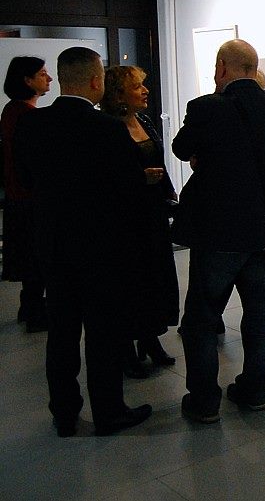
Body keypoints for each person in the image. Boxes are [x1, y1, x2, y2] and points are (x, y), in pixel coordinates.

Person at [15, 46, 152, 437]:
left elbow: (24, 179)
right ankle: (108, 412)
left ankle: (64, 413)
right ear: (96, 81)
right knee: (102, 332)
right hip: (101, 247)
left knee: (61, 332)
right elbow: (128, 190)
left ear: (62, 78)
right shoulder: (107, 129)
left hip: (53, 244)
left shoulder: (32, 124)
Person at [172, 39, 265, 423]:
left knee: (202, 320)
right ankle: (255, 390)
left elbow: (180, 148)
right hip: (263, 230)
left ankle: (205, 402)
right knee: (259, 316)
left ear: (222, 67)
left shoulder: (206, 107)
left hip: (217, 232)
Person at [100, 66, 180, 377]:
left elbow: (158, 160)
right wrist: (139, 179)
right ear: (118, 93)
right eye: (137, 86)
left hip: (152, 213)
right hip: (124, 218)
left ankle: (150, 338)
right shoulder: (107, 127)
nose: (145, 91)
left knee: (153, 277)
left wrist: (168, 191)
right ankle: (125, 349)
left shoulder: (144, 120)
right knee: (130, 281)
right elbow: (106, 176)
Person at [1, 56, 52, 332]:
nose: (49, 78)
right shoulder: (26, 116)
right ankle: (34, 312)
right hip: (29, 198)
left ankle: (29, 306)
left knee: (30, 257)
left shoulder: (12, 111)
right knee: (36, 257)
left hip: (19, 197)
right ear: (28, 80)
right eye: (42, 74)